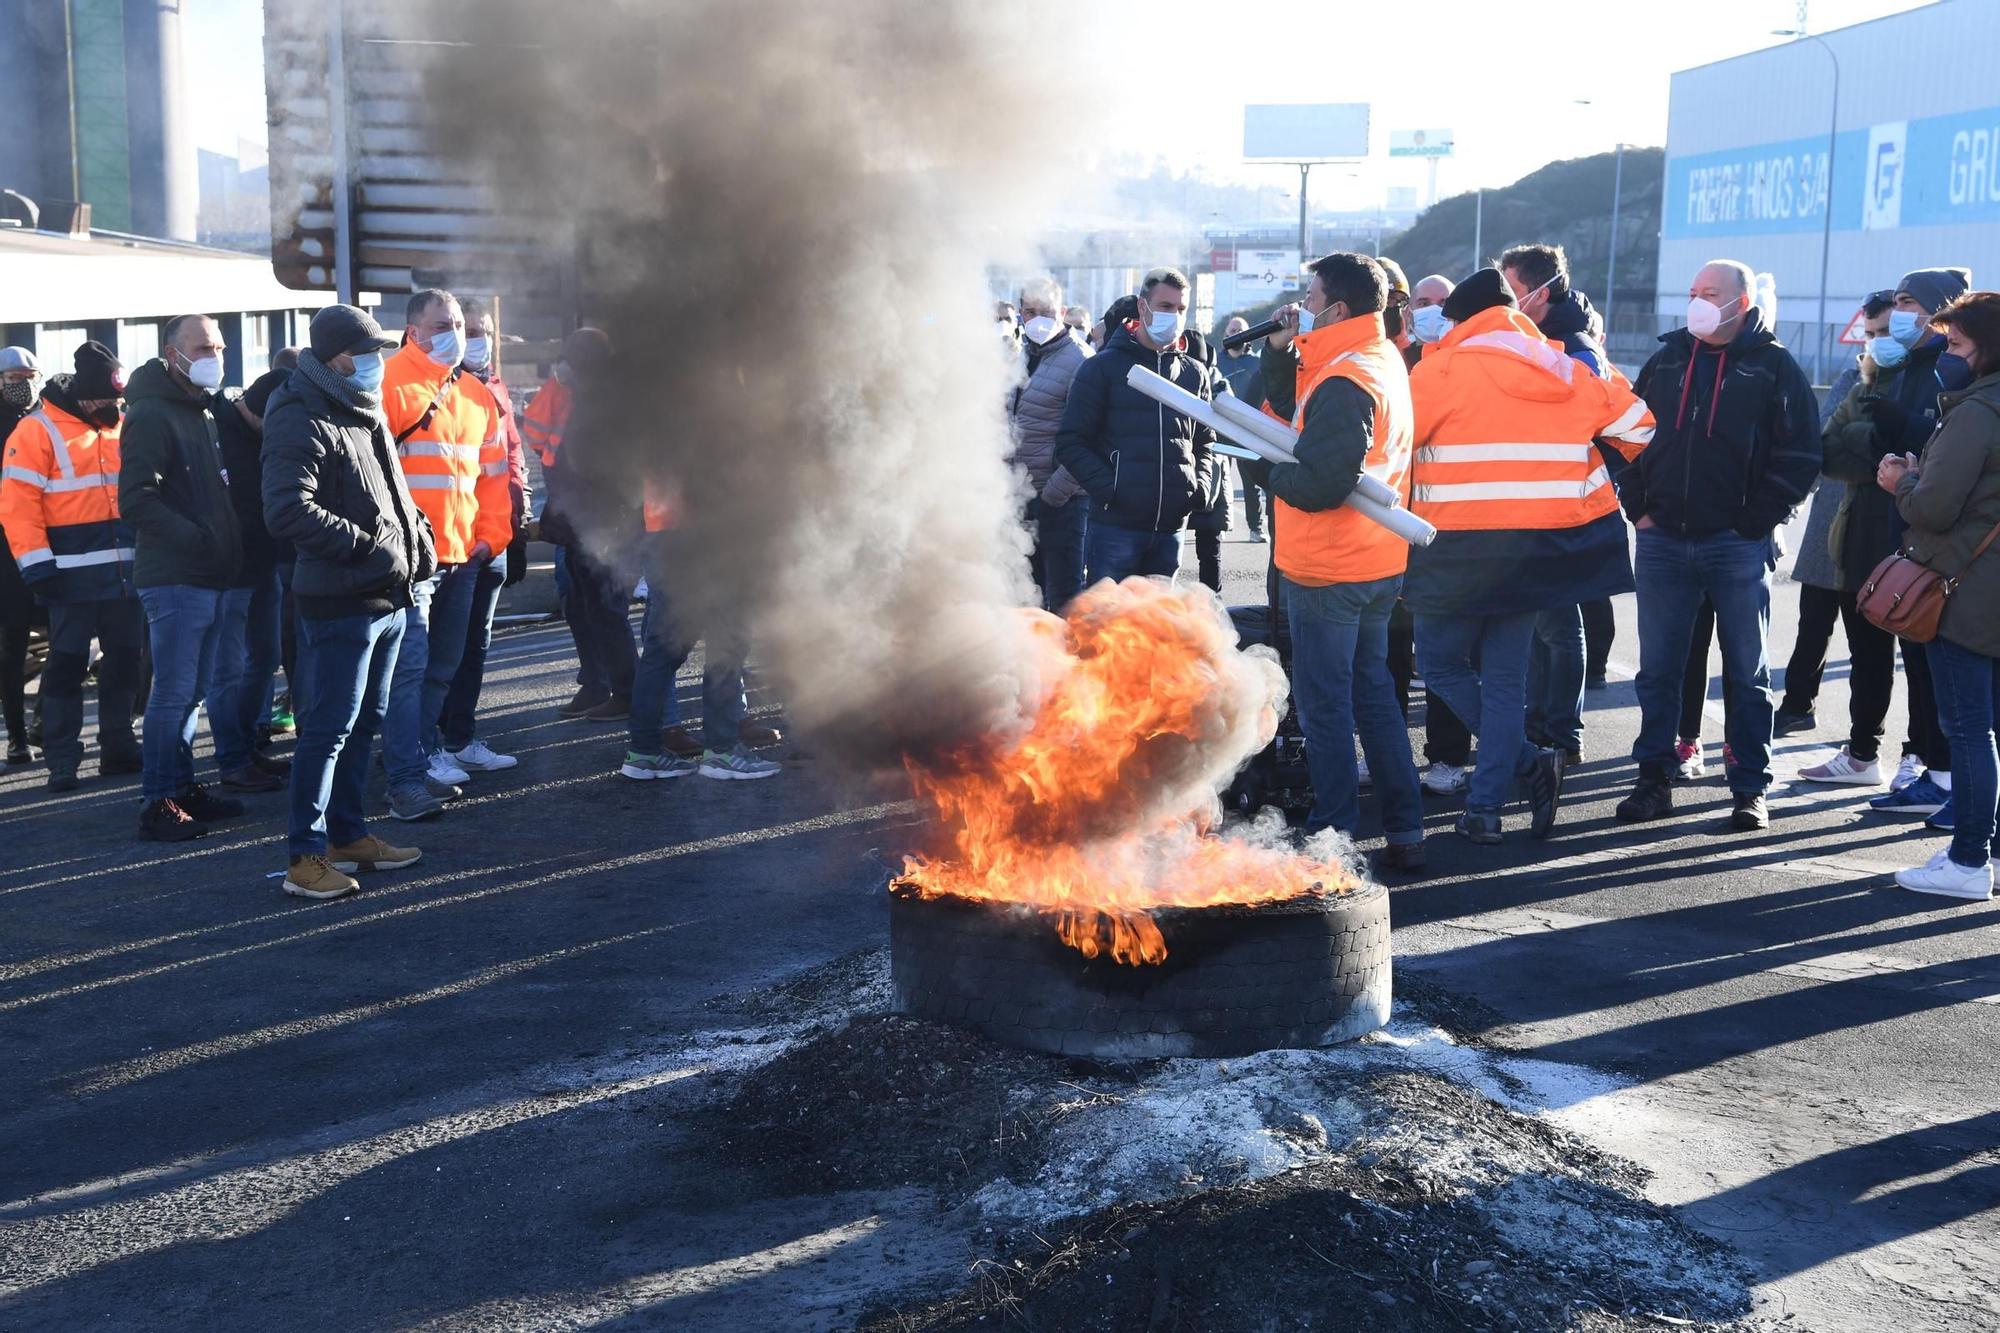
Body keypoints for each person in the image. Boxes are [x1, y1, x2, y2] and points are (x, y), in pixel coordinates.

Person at [1404, 267, 1656, 843]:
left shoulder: (1440, 367)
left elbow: (1394, 446)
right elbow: (1638, 430)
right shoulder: (1564, 363)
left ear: (1460, 319)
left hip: (1456, 545)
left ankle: (1524, 761)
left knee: (1441, 664)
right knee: (1505, 680)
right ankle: (1486, 809)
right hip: (1539, 548)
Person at [1616, 260, 1821, 831]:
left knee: (1746, 673)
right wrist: (1640, 509)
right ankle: (1653, 778)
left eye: (1710, 293)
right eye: (1693, 292)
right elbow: (1624, 435)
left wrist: (1755, 521)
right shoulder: (1667, 359)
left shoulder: (1774, 366)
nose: (1698, 302)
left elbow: (1802, 455)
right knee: (1657, 670)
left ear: (1741, 302)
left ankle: (1750, 787)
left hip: (1735, 546)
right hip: (1662, 542)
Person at [1239, 252, 1425, 871]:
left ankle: (1332, 837)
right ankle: (1404, 829)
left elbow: (1320, 482)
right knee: (1373, 696)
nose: (1303, 304)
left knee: (1324, 706)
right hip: (1374, 562)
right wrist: (1280, 350)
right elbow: (1299, 404)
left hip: (1328, 567)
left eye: (1312, 297)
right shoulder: (1374, 358)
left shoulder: (1347, 378)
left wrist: (1259, 467)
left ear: (1338, 308)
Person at [263, 304, 432, 900]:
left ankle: (348, 835)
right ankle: (304, 859)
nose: (378, 363)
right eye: (368, 353)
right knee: (328, 728)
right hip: (341, 600)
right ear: (337, 358)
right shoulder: (300, 412)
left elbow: (390, 489)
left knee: (366, 720)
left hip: (385, 595)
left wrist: (417, 535)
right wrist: (366, 547)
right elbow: (286, 509)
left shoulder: (363, 409)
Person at [1880, 290, 2000, 900]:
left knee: (1970, 729)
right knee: (1991, 728)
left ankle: (1968, 859)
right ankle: (1988, 852)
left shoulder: (1978, 413)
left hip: (1967, 592)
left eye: (1955, 344)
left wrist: (1904, 482)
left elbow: (1932, 508)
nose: (1946, 354)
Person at [379, 289, 513, 821]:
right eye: (443, 323)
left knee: (442, 667)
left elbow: (494, 478)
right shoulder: (387, 382)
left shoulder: (477, 396)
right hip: (412, 561)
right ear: (414, 331)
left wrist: (490, 538)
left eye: (459, 321)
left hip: (463, 556)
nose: (455, 332)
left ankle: (422, 755)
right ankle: (407, 771)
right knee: (410, 670)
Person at [119, 319, 249, 840]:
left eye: (218, 345)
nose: (216, 354)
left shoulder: (201, 411)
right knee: (173, 694)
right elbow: (135, 499)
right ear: (174, 355)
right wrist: (197, 538)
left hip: (207, 574)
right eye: (204, 347)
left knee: (190, 692)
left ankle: (180, 787)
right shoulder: (152, 414)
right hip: (177, 577)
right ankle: (158, 801)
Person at [0, 342, 143, 789]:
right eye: (107, 399)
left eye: (119, 400)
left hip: (125, 574)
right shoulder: (36, 430)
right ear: (84, 394)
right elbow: (17, 506)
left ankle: (118, 744)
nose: (114, 407)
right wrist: (37, 566)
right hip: (67, 576)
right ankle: (61, 759)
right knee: (66, 663)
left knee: (123, 659)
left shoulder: (119, 424)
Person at [1865, 267, 1973, 822]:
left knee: (1956, 691)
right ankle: (1934, 771)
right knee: (1924, 669)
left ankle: (1956, 790)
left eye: (1910, 302)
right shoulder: (1909, 363)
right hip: (1911, 535)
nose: (1900, 312)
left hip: (1945, 551)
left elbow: (1939, 471)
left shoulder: (1956, 380)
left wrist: (1901, 446)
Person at [1501, 245, 1613, 767]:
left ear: (1540, 293)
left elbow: (1587, 413)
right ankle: (1541, 726)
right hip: (1523, 501)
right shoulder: (1538, 334)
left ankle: (1562, 733)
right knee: (1538, 628)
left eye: (1513, 288)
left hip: (1558, 504)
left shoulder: (1573, 343)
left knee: (1559, 628)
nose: (1506, 298)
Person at [1793, 291, 1904, 788]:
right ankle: (1798, 706)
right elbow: (1824, 447)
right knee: (1812, 624)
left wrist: (1862, 448)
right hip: (1830, 529)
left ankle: (1869, 751)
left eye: (1885, 331)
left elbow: (1887, 453)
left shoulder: (1917, 381)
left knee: (1872, 646)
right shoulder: (1852, 376)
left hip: (1880, 534)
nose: (1875, 342)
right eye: (1869, 332)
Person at [1054, 268, 1217, 585]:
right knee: (1110, 626)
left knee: (1158, 629)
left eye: (1181, 309)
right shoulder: (1103, 368)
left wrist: (1198, 488)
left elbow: (1205, 441)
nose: (1175, 316)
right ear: (1143, 307)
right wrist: (1112, 489)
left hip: (1171, 528)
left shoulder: (1194, 373)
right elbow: (1071, 442)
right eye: (1166, 307)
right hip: (1115, 527)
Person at [620, 479, 781, 782]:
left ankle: (644, 753)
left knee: (662, 652)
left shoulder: (655, 430)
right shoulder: (700, 431)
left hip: (662, 534)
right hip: (709, 535)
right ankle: (723, 751)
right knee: (726, 643)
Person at [526, 328, 639, 727]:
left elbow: (609, 470)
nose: (566, 369)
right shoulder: (577, 397)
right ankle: (607, 686)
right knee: (590, 608)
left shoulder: (610, 402)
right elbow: (543, 439)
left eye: (573, 361)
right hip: (579, 524)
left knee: (607, 611)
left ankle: (627, 693)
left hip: (603, 527)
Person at [435, 298, 527, 775]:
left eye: (482, 330)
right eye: (466, 328)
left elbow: (507, 460)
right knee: (438, 654)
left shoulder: (491, 388)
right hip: (451, 546)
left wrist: (513, 522)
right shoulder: (445, 389)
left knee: (476, 646)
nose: (475, 338)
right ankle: (427, 746)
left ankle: (460, 737)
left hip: (491, 539)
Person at [207, 367, 295, 793]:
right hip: (230, 570)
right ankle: (232, 760)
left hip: (264, 563)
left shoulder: (262, 429)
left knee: (265, 657)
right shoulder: (215, 428)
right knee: (226, 671)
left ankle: (248, 746)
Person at [1008, 276, 1092, 611]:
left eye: (1045, 310)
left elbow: (1087, 436)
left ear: (1062, 311)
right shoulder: (1016, 356)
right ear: (1019, 313)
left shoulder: (1081, 360)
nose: (1036, 318)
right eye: (1030, 311)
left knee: (1063, 599)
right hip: (1018, 497)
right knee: (1021, 595)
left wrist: (1054, 494)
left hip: (1062, 502)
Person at [1, 346, 46, 767]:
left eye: (29, 374)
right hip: (6, 557)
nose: (22, 383)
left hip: (50, 549)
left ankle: (44, 717)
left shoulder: (49, 418)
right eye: (13, 377)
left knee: (73, 638)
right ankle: (17, 737)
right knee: (11, 649)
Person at [1217, 316, 1269, 542]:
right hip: (1220, 429)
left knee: (1251, 481)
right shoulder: (1215, 363)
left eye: (1241, 331)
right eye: (1232, 331)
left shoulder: (1257, 364)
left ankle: (1255, 529)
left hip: (1248, 431)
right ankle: (1217, 525)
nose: (1236, 334)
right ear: (1225, 335)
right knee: (1217, 479)